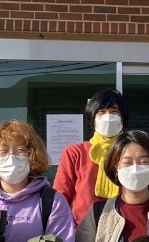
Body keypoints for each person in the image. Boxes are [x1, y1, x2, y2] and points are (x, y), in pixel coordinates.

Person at [53, 89, 128, 225]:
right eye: (101, 112)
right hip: (81, 228)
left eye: (114, 112)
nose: (108, 117)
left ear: (123, 118)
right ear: (92, 117)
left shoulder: (130, 151)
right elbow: (61, 195)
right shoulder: (75, 152)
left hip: (121, 225)